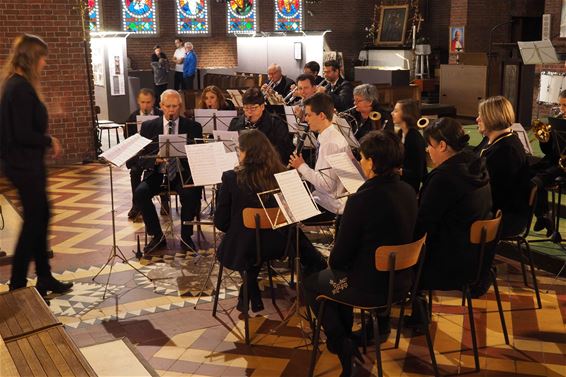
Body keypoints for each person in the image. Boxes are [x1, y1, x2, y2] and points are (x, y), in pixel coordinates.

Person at [303, 130, 418, 377]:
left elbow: (338, 260)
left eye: (363, 158)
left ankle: (342, 345)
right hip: (402, 282)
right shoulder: (409, 191)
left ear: (374, 163)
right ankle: (349, 340)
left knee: (313, 284)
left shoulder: (361, 200)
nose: (360, 163)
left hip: (370, 288)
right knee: (337, 279)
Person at [215, 130, 326, 312]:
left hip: (244, 248)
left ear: (246, 153)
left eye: (238, 150)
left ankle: (249, 288)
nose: (237, 154)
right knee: (264, 240)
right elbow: (294, 214)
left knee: (250, 241)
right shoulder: (283, 174)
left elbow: (221, 222)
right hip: (280, 244)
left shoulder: (230, 178)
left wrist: (239, 227)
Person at [0, 34, 73, 296]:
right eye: (42, 57)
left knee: (41, 217)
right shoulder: (19, 88)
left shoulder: (14, 84)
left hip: (26, 165)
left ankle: (44, 276)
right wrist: (48, 140)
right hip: (24, 166)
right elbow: (21, 133)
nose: (44, 63)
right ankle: (18, 283)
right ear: (31, 58)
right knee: (34, 221)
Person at [134, 90, 203, 253]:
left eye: (175, 106)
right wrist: (154, 160)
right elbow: (140, 157)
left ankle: (186, 237)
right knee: (140, 193)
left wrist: (185, 155)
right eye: (168, 106)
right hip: (157, 173)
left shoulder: (193, 127)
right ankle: (157, 236)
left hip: (182, 172)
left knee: (190, 194)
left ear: (180, 106)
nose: (171, 110)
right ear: (161, 106)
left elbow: (199, 156)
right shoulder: (148, 126)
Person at [288, 93, 351, 222]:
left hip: (331, 206)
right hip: (325, 199)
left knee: (286, 211)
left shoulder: (331, 143)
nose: (306, 120)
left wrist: (301, 166)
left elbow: (327, 185)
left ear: (321, 115)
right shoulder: (328, 136)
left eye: (309, 115)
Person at [477, 95, 531, 237]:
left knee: (450, 218)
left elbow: (494, 192)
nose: (477, 119)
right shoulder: (494, 140)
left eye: (481, 116)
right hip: (495, 206)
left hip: (505, 215)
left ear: (492, 118)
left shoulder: (506, 151)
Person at [530, 90, 566, 235]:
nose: (563, 109)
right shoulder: (558, 122)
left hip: (563, 165)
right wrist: (544, 140)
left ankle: (544, 215)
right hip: (553, 161)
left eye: (565, 106)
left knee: (538, 180)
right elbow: (548, 151)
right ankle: (543, 215)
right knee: (528, 170)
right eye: (561, 105)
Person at [124, 88, 163, 220]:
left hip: (157, 153)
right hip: (140, 155)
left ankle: (165, 202)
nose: (145, 105)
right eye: (142, 102)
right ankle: (136, 204)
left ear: (154, 102)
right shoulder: (132, 118)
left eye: (148, 102)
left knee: (161, 169)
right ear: (138, 102)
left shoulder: (160, 115)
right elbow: (128, 140)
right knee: (134, 171)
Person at [229, 87, 293, 163]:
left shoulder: (275, 123)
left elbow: (284, 152)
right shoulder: (235, 123)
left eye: (253, 108)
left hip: (267, 167)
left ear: (262, 106)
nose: (249, 112)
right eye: (246, 108)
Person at [391, 99, 427, 193]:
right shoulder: (400, 133)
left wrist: (396, 171)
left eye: (396, 111)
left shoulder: (415, 138)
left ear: (406, 114)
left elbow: (417, 172)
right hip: (400, 180)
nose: (392, 113)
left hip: (409, 187)